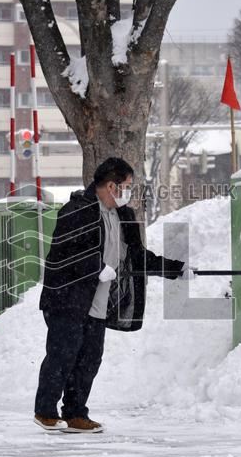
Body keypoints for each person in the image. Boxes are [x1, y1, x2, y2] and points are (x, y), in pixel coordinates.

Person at [34, 157, 190, 433]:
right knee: (63, 354)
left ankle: (75, 413)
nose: (129, 192)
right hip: (67, 298)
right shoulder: (77, 210)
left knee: (90, 357)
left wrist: (176, 269)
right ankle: (45, 411)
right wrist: (96, 268)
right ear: (110, 185)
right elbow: (63, 252)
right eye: (127, 186)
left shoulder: (124, 215)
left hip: (97, 301)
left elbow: (138, 257)